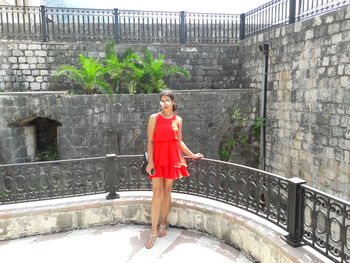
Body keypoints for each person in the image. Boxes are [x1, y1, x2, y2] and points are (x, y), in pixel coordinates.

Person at [144, 89, 203, 249]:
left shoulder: (179, 120)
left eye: (167, 101)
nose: (164, 104)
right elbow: (150, 141)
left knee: (167, 191)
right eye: (162, 101)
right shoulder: (154, 118)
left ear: (173, 102)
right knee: (157, 193)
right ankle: (153, 231)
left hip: (172, 159)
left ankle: (164, 223)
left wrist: (192, 155)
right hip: (157, 159)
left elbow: (179, 141)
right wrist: (150, 162)